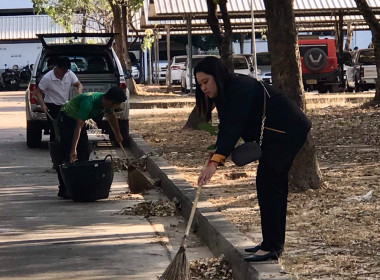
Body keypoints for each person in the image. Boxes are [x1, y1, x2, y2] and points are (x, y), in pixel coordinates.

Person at [195, 57, 311, 262]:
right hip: (273, 136)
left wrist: (215, 163)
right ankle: (270, 244)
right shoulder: (226, 92)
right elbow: (225, 128)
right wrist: (216, 154)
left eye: (206, 82)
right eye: (200, 84)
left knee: (270, 183)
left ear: (218, 76)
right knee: (268, 184)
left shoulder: (240, 87)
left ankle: (272, 247)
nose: (203, 88)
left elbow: (233, 127)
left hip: (287, 132)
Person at [55, 87, 126, 199]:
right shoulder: (88, 102)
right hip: (67, 118)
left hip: (79, 121)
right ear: (112, 102)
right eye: (118, 104)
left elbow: (111, 116)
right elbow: (78, 127)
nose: (117, 107)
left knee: (84, 153)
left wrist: (118, 134)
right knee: (67, 153)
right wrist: (73, 149)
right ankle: (64, 189)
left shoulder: (106, 104)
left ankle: (81, 186)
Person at [34, 56, 83, 141]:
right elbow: (38, 92)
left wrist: (79, 93)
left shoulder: (69, 74)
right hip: (51, 106)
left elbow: (78, 84)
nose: (65, 72)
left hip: (65, 106)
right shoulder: (47, 78)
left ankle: (66, 149)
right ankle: (55, 149)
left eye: (66, 70)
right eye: (63, 70)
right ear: (57, 67)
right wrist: (42, 105)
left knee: (67, 129)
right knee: (55, 130)